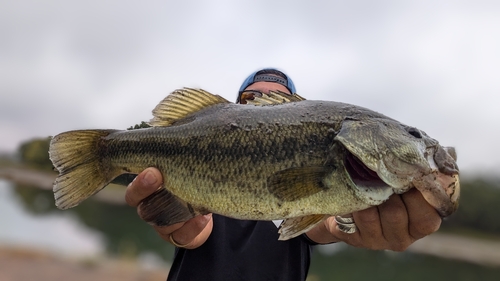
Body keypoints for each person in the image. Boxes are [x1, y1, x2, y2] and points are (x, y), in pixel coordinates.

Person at [125, 68, 442, 281]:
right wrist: (180, 223)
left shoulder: (319, 199)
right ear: (232, 109)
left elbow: (326, 225)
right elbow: (196, 231)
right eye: (252, 99)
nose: (263, 107)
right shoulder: (201, 189)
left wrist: (354, 224)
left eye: (276, 102)